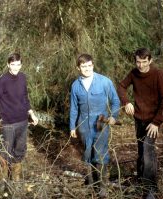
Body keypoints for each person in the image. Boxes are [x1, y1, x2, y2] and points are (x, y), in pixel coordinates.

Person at [117, 48, 163, 198]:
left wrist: (157, 122)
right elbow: (121, 86)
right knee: (141, 150)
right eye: (138, 62)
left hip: (152, 121)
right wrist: (126, 102)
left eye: (144, 62)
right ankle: (141, 180)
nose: (140, 65)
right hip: (139, 118)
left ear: (150, 60)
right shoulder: (134, 73)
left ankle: (150, 190)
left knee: (148, 150)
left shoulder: (158, 75)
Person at [70, 53, 120, 196]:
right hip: (83, 124)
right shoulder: (75, 86)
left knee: (100, 153)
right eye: (83, 66)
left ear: (93, 65)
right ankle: (91, 184)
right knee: (87, 152)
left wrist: (113, 116)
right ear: (78, 68)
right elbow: (74, 108)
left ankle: (102, 187)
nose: (87, 68)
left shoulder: (104, 81)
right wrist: (72, 126)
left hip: (101, 123)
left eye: (89, 65)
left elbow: (115, 101)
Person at [0, 53, 38, 181]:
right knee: (6, 151)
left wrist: (31, 114)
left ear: (21, 65)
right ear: (8, 65)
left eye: (18, 64)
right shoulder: (2, 81)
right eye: (13, 64)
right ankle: (3, 179)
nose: (16, 67)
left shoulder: (22, 78)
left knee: (20, 150)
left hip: (22, 121)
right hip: (8, 123)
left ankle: (16, 178)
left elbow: (25, 98)